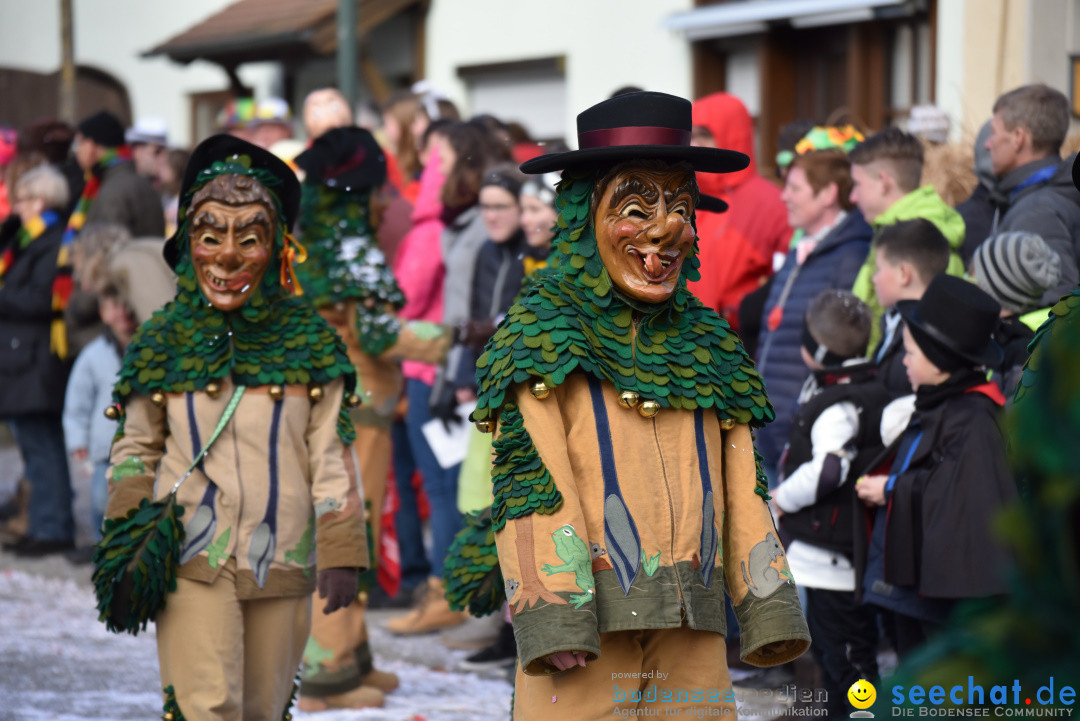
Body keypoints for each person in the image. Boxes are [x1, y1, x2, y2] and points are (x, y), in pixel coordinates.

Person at [471, 91, 810, 719]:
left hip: (693, 620)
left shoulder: (709, 341)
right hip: (591, 631)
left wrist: (766, 602)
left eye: (680, 207)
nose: (664, 228)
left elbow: (742, 478)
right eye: (635, 206)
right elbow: (531, 482)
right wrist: (557, 616)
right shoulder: (542, 330)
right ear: (582, 215)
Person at [102, 135, 368, 719]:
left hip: (286, 554)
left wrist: (343, 544)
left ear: (276, 249)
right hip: (190, 554)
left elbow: (332, 451)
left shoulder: (311, 342)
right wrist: (124, 534)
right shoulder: (163, 339)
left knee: (262, 710)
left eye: (248, 238)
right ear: (187, 243)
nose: (226, 257)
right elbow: (136, 447)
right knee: (206, 706)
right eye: (209, 235)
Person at [292, 125, 451, 711]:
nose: (388, 199)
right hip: (356, 408)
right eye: (380, 188)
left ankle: (352, 654)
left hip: (347, 404)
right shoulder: (350, 247)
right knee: (345, 533)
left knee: (351, 528)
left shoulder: (320, 238)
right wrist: (456, 338)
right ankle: (327, 673)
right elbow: (380, 333)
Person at [855, 274, 1016, 660]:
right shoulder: (941, 403)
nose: (905, 361)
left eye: (910, 353)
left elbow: (962, 498)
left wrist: (891, 488)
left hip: (939, 597)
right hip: (912, 585)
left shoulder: (974, 419)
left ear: (940, 362)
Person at [387, 120, 506, 637]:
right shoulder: (450, 222)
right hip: (437, 365)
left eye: (441, 157)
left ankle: (453, 590)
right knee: (443, 487)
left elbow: (410, 294)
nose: (431, 166)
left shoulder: (458, 225)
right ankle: (446, 589)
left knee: (449, 488)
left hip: (444, 366)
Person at [771, 289, 888, 718]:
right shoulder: (865, 384)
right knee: (839, 657)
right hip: (836, 553)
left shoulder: (839, 406)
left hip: (832, 558)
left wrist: (780, 499)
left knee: (848, 663)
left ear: (818, 350)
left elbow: (828, 472)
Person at [755, 149, 872, 479]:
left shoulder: (849, 256)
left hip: (800, 424)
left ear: (828, 194)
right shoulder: (800, 249)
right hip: (770, 421)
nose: (784, 196)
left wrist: (803, 413)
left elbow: (838, 344)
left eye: (794, 188)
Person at [0, 164, 75, 556]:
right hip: (21, 358)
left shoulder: (52, 240)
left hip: (36, 360)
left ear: (42, 199)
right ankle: (43, 522)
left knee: (43, 446)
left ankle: (53, 527)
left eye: (24, 200)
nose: (17, 209)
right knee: (33, 448)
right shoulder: (27, 239)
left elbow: (44, 299)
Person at [848, 127, 966, 350]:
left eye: (857, 184)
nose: (852, 197)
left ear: (883, 181)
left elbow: (929, 342)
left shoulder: (922, 239)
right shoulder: (891, 231)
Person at [688, 92, 792, 329]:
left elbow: (786, 282)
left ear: (731, 136)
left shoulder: (773, 204)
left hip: (742, 344)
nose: (694, 145)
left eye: (704, 136)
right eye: (690, 136)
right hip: (683, 344)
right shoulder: (682, 195)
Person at [985, 84, 1080, 304]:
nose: (987, 145)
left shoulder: (1037, 212)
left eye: (993, 133)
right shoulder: (1050, 194)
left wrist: (1010, 332)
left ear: (1018, 137)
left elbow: (1058, 304)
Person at [62, 279, 136, 554]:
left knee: (137, 495)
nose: (122, 313)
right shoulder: (93, 356)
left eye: (127, 306)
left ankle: (132, 549)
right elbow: (77, 402)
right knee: (99, 499)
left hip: (142, 445)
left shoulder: (151, 350)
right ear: (103, 313)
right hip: (106, 447)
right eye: (114, 307)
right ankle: (101, 546)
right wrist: (77, 438)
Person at [970, 230, 1061, 397]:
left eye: (973, 276)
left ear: (994, 289)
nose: (967, 280)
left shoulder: (1024, 351)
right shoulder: (1003, 332)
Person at [869, 219, 952, 397]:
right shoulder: (893, 322)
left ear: (903, 274)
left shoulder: (929, 337)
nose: (874, 279)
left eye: (878, 269)